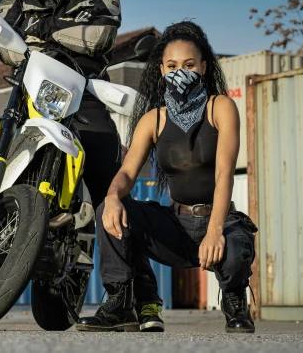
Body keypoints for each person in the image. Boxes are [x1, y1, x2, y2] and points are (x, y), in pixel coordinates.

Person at [0, 0, 163, 332]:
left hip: (84, 94)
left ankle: (141, 302)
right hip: (29, 94)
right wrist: (61, 32)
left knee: (113, 195)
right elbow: (4, 48)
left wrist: (38, 33)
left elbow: (101, 36)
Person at [76, 21, 258, 333]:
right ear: (161, 70)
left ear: (203, 67)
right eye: (172, 66)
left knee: (238, 247)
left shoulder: (221, 107)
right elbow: (126, 173)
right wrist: (113, 198)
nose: (180, 71)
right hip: (176, 226)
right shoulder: (153, 119)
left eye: (189, 65)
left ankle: (234, 300)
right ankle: (123, 302)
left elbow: (225, 172)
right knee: (112, 209)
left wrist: (215, 231)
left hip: (219, 221)